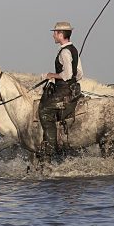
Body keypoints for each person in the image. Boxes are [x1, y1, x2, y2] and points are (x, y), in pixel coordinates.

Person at [38, 21, 83, 163]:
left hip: (64, 92)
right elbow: (79, 73)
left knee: (44, 110)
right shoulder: (73, 50)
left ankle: (50, 148)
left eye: (55, 33)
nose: (53, 36)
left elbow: (68, 74)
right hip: (72, 89)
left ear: (61, 34)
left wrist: (51, 75)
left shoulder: (65, 51)